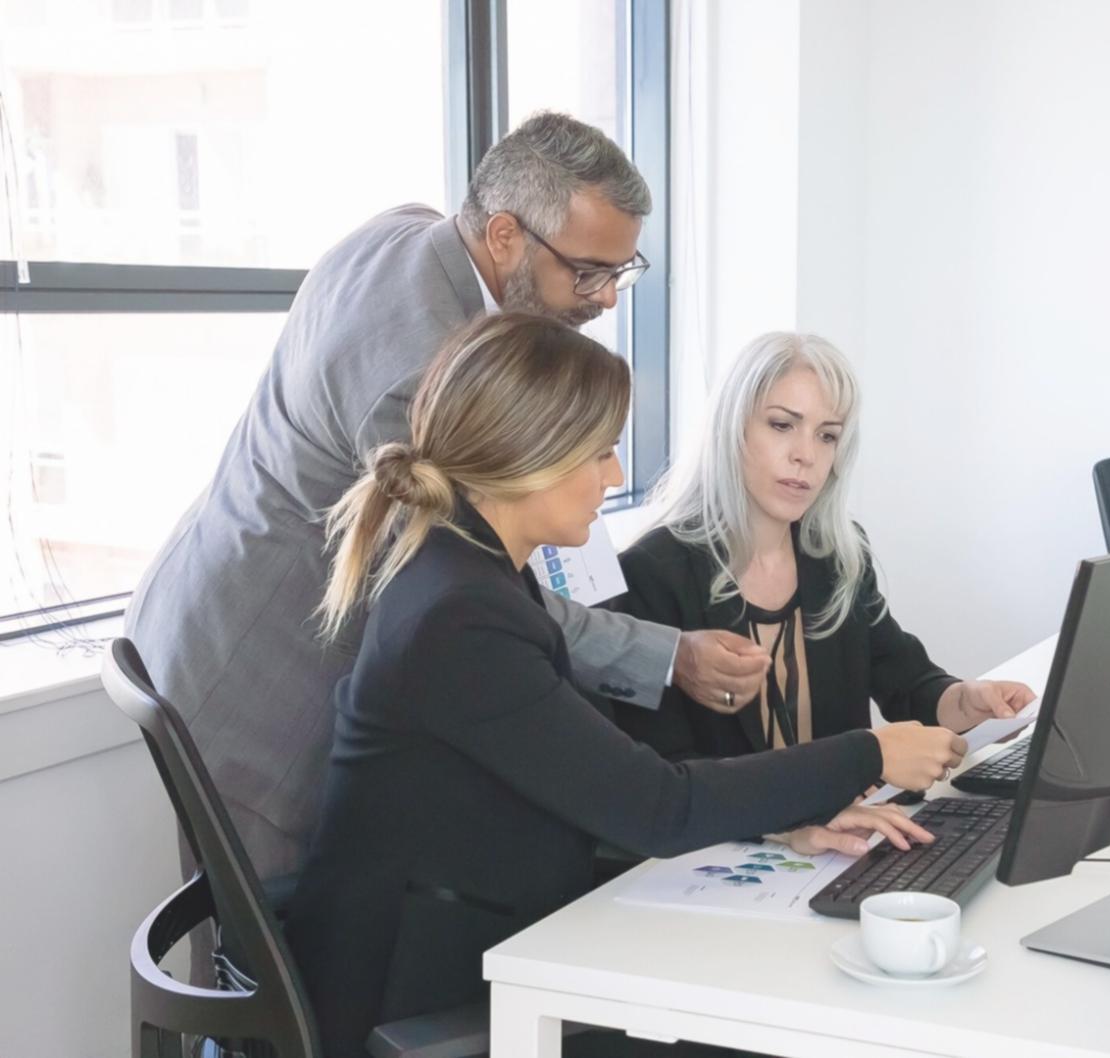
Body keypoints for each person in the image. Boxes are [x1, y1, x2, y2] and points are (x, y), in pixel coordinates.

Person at [284, 313, 965, 1057]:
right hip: (418, 991)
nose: (613, 478)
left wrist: (787, 820)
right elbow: (658, 806)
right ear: (530, 452)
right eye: (601, 453)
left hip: (481, 931)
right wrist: (870, 752)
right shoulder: (463, 618)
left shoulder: (473, 573)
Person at [125, 112, 768, 889]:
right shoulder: (416, 377)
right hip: (258, 672)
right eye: (586, 272)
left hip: (211, 594)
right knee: (272, 938)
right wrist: (667, 656)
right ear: (504, 236)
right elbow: (474, 588)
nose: (605, 299)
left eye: (620, 272)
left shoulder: (414, 232)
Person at [610, 332, 1036, 761]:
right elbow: (668, 773)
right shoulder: (649, 574)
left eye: (827, 436)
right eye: (782, 425)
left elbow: (907, 684)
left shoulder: (838, 555)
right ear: (731, 429)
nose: (806, 455)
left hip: (853, 805)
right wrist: (833, 788)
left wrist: (966, 702)